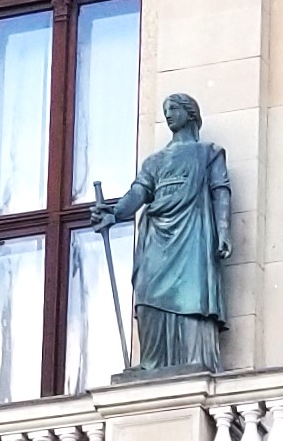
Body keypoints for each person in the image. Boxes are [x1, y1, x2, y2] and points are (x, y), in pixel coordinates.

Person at [91, 93, 232, 374]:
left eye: (174, 108)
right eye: (165, 110)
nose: (168, 114)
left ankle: (193, 358)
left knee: (192, 294)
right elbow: (138, 193)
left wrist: (223, 230)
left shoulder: (208, 153)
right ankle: (152, 362)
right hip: (157, 233)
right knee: (147, 291)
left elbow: (220, 192)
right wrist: (114, 213)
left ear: (190, 113)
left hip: (192, 232)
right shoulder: (154, 161)